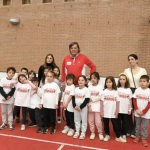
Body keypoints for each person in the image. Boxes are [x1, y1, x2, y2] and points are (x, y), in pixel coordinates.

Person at [124, 54, 147, 138]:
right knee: (129, 112)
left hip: (138, 91)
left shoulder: (143, 70)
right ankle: (129, 129)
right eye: (129, 59)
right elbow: (125, 81)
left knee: (136, 112)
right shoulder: (126, 70)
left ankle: (134, 130)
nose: (131, 61)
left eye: (132, 59)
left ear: (137, 60)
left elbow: (145, 81)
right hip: (129, 91)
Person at [100, 76, 126, 143]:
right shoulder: (104, 92)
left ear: (113, 83)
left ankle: (118, 136)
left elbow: (118, 102)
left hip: (113, 112)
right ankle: (107, 135)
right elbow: (101, 102)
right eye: (107, 82)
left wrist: (117, 111)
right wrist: (101, 111)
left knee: (116, 125)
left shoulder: (115, 92)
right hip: (105, 112)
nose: (108, 83)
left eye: (110, 82)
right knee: (105, 125)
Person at [133, 75, 150, 147]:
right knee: (137, 125)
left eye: (144, 81)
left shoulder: (149, 91)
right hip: (137, 112)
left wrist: (144, 111)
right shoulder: (137, 90)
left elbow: (149, 103)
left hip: (146, 113)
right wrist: (136, 109)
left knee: (144, 126)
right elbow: (134, 100)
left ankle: (144, 138)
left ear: (148, 83)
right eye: (141, 81)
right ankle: (137, 136)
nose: (142, 83)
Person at [72, 75, 90, 140]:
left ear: (85, 82)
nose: (80, 81)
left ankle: (83, 132)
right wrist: (74, 106)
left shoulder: (87, 90)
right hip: (76, 107)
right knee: (76, 120)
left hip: (83, 107)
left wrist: (81, 107)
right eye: (79, 80)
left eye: (82, 80)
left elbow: (87, 100)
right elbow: (73, 98)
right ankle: (77, 131)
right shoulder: (75, 89)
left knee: (84, 120)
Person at [88, 72, 104, 140]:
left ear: (98, 79)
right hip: (91, 107)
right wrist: (89, 105)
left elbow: (100, 96)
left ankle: (100, 133)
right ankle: (92, 132)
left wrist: (92, 99)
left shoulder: (100, 86)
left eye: (94, 78)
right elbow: (87, 97)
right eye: (92, 78)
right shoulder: (89, 86)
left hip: (98, 107)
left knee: (98, 122)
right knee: (90, 121)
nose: (93, 79)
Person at [117, 73, 132, 142]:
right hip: (118, 110)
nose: (122, 81)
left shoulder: (128, 90)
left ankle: (124, 134)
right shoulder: (117, 89)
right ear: (119, 80)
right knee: (118, 122)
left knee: (125, 122)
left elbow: (130, 100)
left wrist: (130, 109)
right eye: (120, 79)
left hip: (125, 110)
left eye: (123, 79)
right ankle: (119, 133)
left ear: (126, 80)